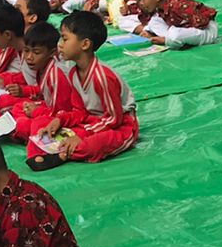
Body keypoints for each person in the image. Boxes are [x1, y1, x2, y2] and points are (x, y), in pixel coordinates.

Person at [22, 12, 139, 168]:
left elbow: (114, 119)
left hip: (120, 126)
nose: (60, 45)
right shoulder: (73, 73)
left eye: (65, 39)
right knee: (42, 123)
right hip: (91, 122)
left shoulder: (102, 77)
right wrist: (59, 120)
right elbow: (79, 112)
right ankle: (40, 154)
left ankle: (60, 154)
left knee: (92, 145)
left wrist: (82, 135)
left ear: (85, 44)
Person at [131, 0, 219, 49]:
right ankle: (174, 39)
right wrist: (148, 31)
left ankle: (171, 40)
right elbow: (157, 20)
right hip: (182, 28)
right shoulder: (160, 6)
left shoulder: (178, 6)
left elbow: (202, 22)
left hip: (206, 30)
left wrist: (177, 33)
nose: (141, 3)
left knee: (176, 34)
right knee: (154, 22)